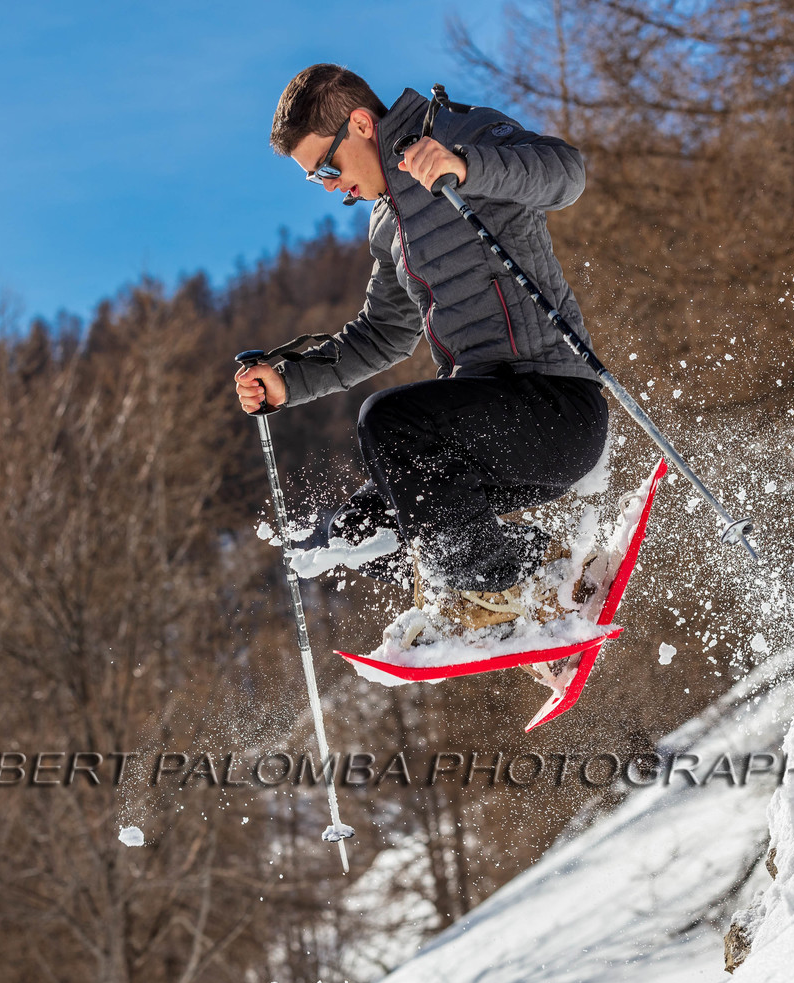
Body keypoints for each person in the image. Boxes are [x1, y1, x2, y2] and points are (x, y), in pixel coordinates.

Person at [236, 64, 609, 628]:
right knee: (361, 533)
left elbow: (566, 174)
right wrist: (289, 381)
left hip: (556, 407)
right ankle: (542, 573)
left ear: (360, 124)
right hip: (485, 429)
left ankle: (496, 594)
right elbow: (386, 331)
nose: (331, 186)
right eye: (317, 179)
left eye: (325, 168)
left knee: (389, 421)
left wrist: (466, 165)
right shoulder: (388, 224)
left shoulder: (459, 132)